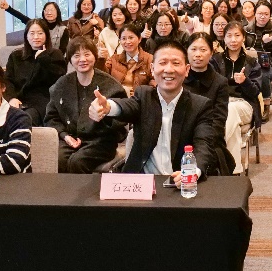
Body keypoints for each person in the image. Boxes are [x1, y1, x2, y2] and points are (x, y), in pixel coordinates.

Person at [89, 39, 219, 182]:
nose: (169, 69)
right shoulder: (143, 96)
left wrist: (193, 171)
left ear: (187, 70)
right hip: (142, 183)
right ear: (152, 68)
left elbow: (204, 145)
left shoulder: (200, 105)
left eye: (176, 63)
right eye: (162, 63)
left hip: (180, 182)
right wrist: (108, 107)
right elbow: (127, 106)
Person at [44, 37, 129, 173]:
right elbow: (51, 117)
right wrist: (64, 135)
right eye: (76, 56)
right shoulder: (62, 84)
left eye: (87, 54)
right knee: (58, 159)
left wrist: (104, 115)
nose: (82, 59)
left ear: (95, 56)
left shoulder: (111, 85)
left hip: (101, 141)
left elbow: (122, 119)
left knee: (77, 162)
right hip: (70, 138)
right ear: (70, 60)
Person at [212, 21, 262, 170]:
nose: (233, 40)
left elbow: (256, 92)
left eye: (237, 35)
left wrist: (245, 82)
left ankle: (214, 150)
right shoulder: (215, 60)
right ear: (224, 38)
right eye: (229, 36)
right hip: (221, 104)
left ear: (243, 38)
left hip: (244, 104)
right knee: (231, 123)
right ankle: (233, 171)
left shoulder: (251, 62)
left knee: (231, 109)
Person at [182, 32, 234, 175]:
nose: (198, 54)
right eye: (193, 49)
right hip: (179, 138)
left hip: (210, 140)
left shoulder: (220, 83)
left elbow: (219, 121)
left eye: (203, 50)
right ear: (186, 52)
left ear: (211, 53)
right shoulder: (178, 79)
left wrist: (200, 141)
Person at [3, 18, 67, 126]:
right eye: (32, 33)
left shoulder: (55, 54)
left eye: (40, 33)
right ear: (26, 36)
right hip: (18, 100)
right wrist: (11, 98)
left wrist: (43, 59)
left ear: (46, 35)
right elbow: (8, 81)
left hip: (42, 102)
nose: (36, 37)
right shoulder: (16, 56)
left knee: (24, 120)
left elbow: (58, 80)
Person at [0, 0, 68, 52]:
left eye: (52, 10)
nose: (49, 13)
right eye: (46, 10)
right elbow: (23, 18)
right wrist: (8, 8)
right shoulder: (38, 25)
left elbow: (63, 51)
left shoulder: (63, 30)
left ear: (57, 12)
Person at [105, 24, 154, 96]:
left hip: (140, 99)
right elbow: (102, 75)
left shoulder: (150, 59)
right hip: (118, 98)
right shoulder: (114, 59)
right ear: (120, 41)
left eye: (131, 38)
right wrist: (100, 59)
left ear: (139, 39)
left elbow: (154, 83)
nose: (127, 42)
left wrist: (141, 94)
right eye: (124, 38)